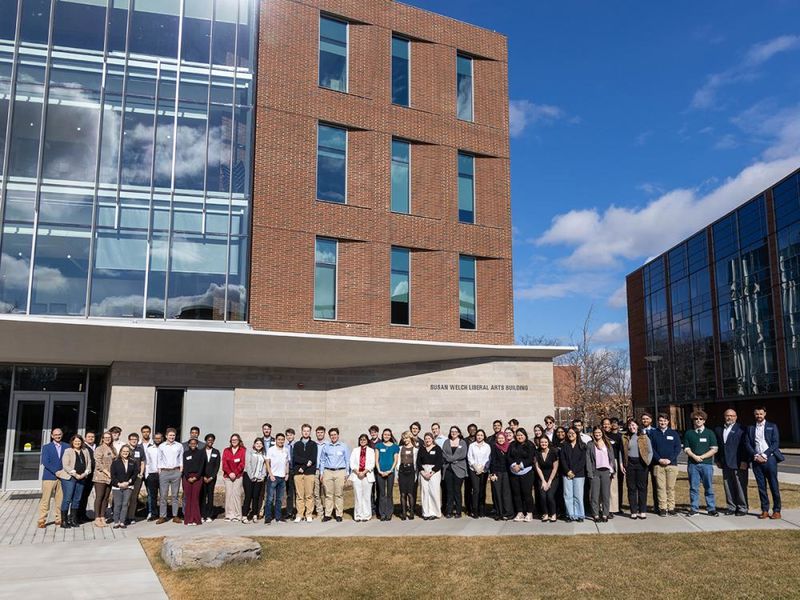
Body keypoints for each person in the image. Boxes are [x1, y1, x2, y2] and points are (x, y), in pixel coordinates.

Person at [745, 406, 783, 519]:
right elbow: (747, 443)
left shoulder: (772, 426)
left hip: (770, 459)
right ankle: (765, 510)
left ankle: (777, 510)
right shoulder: (750, 428)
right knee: (761, 487)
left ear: (765, 414)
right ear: (754, 414)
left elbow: (775, 443)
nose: (759, 416)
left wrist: (764, 454)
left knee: (774, 486)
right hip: (756, 461)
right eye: (757, 414)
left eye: (761, 414)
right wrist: (756, 455)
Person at [683, 410, 719, 517]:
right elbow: (686, 449)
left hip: (707, 464)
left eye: (700, 419)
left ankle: (711, 508)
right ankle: (694, 509)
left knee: (708, 487)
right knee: (694, 487)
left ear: (704, 420)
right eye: (696, 419)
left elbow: (714, 449)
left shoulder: (709, 433)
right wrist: (694, 457)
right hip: (693, 465)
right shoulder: (689, 433)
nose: (698, 421)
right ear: (693, 420)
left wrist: (702, 457)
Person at [715, 409, 749, 516]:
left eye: (732, 416)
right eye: (727, 416)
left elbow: (745, 446)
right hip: (725, 463)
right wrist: (718, 460)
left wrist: (745, 461)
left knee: (740, 486)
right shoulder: (719, 429)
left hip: (739, 462)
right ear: (724, 417)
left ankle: (742, 508)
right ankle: (731, 507)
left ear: (736, 417)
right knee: (728, 486)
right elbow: (719, 446)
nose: (730, 417)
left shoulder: (742, 429)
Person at [57, 434, 92, 528]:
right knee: (67, 499)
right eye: (76, 441)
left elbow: (89, 464)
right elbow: (66, 465)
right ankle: (64, 521)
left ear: (82, 442)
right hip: (70, 477)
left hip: (82, 478)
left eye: (79, 441)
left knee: (77, 499)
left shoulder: (85, 451)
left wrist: (84, 474)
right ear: (72, 442)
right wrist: (75, 474)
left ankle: (73, 519)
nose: (77, 443)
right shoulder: (68, 451)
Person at [650, 413, 682, 516]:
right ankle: (663, 508)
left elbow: (677, 448)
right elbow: (652, 449)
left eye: (664, 421)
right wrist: (659, 459)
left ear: (668, 422)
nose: (662, 422)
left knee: (670, 487)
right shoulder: (653, 433)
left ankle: (671, 507)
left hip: (671, 465)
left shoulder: (673, 433)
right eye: (660, 421)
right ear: (658, 422)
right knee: (660, 488)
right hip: (658, 465)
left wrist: (669, 459)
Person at [622, 419, 652, 519]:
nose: (632, 427)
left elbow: (650, 451)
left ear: (638, 426)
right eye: (630, 425)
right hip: (630, 464)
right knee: (631, 488)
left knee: (642, 488)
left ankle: (642, 510)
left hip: (641, 464)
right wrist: (622, 464)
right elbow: (621, 452)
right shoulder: (625, 437)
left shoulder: (644, 437)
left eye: (634, 425)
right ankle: (633, 511)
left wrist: (647, 462)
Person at [319, 427, 350, 522]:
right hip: (328, 472)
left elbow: (347, 460)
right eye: (331, 435)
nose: (333, 436)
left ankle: (339, 514)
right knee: (328, 494)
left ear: (338, 435)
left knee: (339, 494)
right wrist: (321, 473)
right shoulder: (326, 447)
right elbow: (322, 460)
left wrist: (347, 473)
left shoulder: (344, 446)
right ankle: (328, 514)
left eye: (335, 435)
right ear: (329, 436)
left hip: (340, 471)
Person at [586, 426, 615, 523]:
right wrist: (590, 473)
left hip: (606, 472)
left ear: (602, 432)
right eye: (595, 433)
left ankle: (605, 514)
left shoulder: (608, 443)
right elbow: (588, 460)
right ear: (593, 434)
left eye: (599, 432)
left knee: (605, 494)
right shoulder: (590, 445)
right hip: (595, 472)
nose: (597, 434)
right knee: (595, 495)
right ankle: (596, 514)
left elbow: (611, 458)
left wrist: (612, 470)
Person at [37, 428, 65, 528]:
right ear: (52, 436)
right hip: (49, 477)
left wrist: (63, 472)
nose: (58, 436)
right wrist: (56, 471)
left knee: (60, 500)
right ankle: (41, 520)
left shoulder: (67, 446)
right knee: (46, 499)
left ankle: (59, 519)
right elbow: (45, 461)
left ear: (62, 435)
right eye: (55, 434)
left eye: (59, 434)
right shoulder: (46, 447)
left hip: (62, 477)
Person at [508, 427, 536, 522]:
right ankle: (519, 512)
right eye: (518, 435)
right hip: (514, 472)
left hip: (526, 472)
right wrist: (514, 465)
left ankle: (529, 512)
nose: (519, 437)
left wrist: (521, 466)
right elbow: (509, 457)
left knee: (527, 493)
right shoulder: (512, 444)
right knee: (516, 493)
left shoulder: (530, 445)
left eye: (521, 435)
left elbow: (531, 458)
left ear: (525, 436)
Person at [157, 428, 184, 524]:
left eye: (173, 435)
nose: (172, 437)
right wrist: (160, 470)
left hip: (176, 472)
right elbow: (159, 459)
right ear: (166, 436)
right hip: (164, 472)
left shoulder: (179, 446)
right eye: (170, 435)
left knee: (175, 495)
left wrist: (180, 470)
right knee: (163, 495)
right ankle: (162, 516)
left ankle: (175, 516)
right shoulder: (161, 446)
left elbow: (181, 458)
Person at [559, 427, 586, 522]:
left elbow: (582, 461)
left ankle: (579, 515)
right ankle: (570, 514)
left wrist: (573, 471)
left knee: (578, 495)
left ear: (577, 434)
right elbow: (562, 460)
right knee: (568, 495)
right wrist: (568, 471)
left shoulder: (582, 446)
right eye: (569, 433)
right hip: (566, 474)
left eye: (573, 433)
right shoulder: (564, 445)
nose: (571, 435)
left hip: (578, 474)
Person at [292, 424, 318, 522]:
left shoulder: (313, 444)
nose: (306, 432)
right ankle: (299, 514)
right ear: (301, 432)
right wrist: (304, 464)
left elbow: (312, 459)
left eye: (308, 431)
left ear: (310, 432)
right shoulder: (297, 444)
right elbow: (295, 457)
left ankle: (309, 514)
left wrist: (303, 467)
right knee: (299, 495)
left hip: (309, 473)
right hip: (298, 473)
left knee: (309, 495)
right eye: (304, 431)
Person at [442, 426, 468, 518]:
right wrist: (452, 460)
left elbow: (463, 454)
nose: (453, 433)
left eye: (455, 431)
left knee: (457, 490)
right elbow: (444, 453)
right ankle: (449, 511)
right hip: (448, 468)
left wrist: (451, 459)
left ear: (459, 432)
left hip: (459, 469)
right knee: (449, 490)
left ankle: (458, 511)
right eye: (452, 431)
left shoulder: (462, 442)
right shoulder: (446, 442)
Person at [349, 434, 376, 522]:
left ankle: (366, 515)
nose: (362, 441)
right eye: (361, 439)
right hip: (356, 476)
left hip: (367, 475)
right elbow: (351, 463)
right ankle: (358, 515)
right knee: (358, 496)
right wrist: (357, 472)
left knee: (366, 496)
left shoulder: (371, 451)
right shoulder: (355, 450)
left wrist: (364, 472)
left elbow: (372, 463)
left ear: (367, 441)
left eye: (364, 439)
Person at [375, 428, 400, 521]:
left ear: (391, 436)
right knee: (382, 494)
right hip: (380, 473)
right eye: (385, 434)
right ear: (382, 435)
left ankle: (389, 513)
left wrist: (390, 470)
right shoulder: (378, 446)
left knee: (389, 494)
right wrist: (379, 470)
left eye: (388, 435)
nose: (386, 436)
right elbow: (376, 460)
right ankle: (382, 514)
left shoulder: (395, 447)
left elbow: (395, 460)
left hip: (390, 473)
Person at [416, 433, 443, 520]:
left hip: (434, 472)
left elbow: (440, 462)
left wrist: (432, 472)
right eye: (426, 438)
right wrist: (422, 472)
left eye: (429, 438)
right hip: (423, 471)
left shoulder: (437, 448)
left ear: (432, 439)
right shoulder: (421, 449)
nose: (427, 440)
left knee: (434, 492)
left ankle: (435, 512)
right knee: (424, 492)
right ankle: (426, 513)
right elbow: (418, 462)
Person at [265, 433, 290, 523]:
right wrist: (270, 474)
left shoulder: (286, 450)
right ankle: (268, 517)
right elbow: (267, 462)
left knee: (279, 499)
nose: (280, 441)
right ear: (276, 440)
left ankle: (278, 517)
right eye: (279, 439)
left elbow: (287, 462)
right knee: (270, 498)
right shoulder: (271, 450)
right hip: (273, 477)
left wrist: (287, 473)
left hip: (282, 477)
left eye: (282, 439)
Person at [92, 431, 115, 527]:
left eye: (109, 437)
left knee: (106, 498)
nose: (107, 439)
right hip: (100, 476)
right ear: (102, 439)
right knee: (99, 497)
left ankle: (102, 516)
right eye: (105, 437)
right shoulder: (99, 449)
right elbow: (98, 463)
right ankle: (97, 518)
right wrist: (107, 473)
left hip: (110, 477)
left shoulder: (113, 449)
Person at [489, 431, 514, 520]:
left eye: (502, 438)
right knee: (497, 492)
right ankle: (499, 513)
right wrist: (492, 473)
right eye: (499, 438)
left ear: (505, 438)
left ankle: (508, 513)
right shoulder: (494, 447)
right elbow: (492, 461)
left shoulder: (509, 447)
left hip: (507, 473)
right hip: (497, 473)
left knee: (506, 493)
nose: (501, 440)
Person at [110, 445, 136, 529]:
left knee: (125, 504)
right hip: (117, 486)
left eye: (127, 451)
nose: (125, 453)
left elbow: (135, 474)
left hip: (128, 486)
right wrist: (119, 484)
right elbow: (113, 475)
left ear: (129, 452)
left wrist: (128, 482)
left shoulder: (133, 462)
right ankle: (116, 522)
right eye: (124, 451)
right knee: (118, 504)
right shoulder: (115, 462)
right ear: (120, 452)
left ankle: (122, 521)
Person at [535, 434, 560, 522]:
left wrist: (549, 482)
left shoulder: (553, 452)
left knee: (550, 495)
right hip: (542, 478)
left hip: (553, 478)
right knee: (542, 495)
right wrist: (543, 481)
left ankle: (553, 514)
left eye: (545, 442)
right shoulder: (537, 453)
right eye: (542, 442)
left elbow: (555, 468)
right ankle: (545, 514)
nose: (543, 443)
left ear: (548, 442)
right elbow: (538, 467)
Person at [222, 433, 246, 522]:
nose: (234, 441)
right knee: (229, 495)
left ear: (239, 441)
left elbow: (242, 463)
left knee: (236, 495)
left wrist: (235, 473)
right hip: (227, 476)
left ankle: (237, 515)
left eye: (236, 440)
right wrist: (229, 473)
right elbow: (224, 464)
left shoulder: (243, 450)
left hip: (238, 476)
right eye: (232, 440)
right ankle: (229, 515)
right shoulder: (226, 450)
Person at [242, 438, 267, 523]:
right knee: (248, 496)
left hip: (259, 478)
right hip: (248, 477)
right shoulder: (250, 452)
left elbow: (264, 466)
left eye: (260, 443)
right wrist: (252, 476)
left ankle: (255, 515)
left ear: (262, 445)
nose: (259, 445)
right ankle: (244, 516)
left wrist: (262, 476)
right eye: (257, 443)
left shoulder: (263, 454)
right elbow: (248, 464)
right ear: (254, 444)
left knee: (256, 497)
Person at [467, 429, 490, 518]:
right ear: (476, 436)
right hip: (474, 470)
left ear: (484, 436)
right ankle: (475, 510)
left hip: (484, 470)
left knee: (482, 490)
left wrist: (483, 468)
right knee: (476, 490)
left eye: (481, 435)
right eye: (478, 435)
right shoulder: (472, 446)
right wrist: (476, 467)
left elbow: (488, 458)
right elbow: (469, 457)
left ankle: (482, 510)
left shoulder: (487, 446)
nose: (479, 436)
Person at [602, 417, 623, 516]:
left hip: (613, 462)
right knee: (603, 487)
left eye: (608, 424)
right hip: (601, 462)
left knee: (613, 487)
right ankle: (603, 508)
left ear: (611, 425)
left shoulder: (617, 436)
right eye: (604, 424)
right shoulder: (599, 435)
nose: (606, 426)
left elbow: (621, 452)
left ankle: (613, 508)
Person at [182, 437, 205, 525]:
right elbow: (185, 466)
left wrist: (196, 477)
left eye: (194, 443)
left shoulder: (201, 453)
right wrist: (188, 477)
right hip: (187, 477)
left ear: (197, 444)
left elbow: (201, 466)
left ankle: (195, 519)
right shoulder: (185, 453)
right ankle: (188, 519)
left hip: (197, 478)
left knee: (195, 498)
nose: (193, 445)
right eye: (191, 443)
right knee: (188, 498)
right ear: (189, 444)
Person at [76, 430, 96, 524]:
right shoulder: (83, 448)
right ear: (85, 438)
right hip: (85, 475)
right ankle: (77, 516)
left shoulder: (96, 447)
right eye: (89, 437)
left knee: (85, 496)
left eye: (92, 437)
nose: (91, 438)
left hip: (92, 476)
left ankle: (83, 514)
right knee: (81, 496)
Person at [397, 431, 418, 520]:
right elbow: (398, 461)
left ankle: (412, 512)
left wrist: (416, 474)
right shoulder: (400, 448)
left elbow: (416, 463)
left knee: (410, 493)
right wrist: (397, 472)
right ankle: (404, 513)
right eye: (404, 438)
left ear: (410, 438)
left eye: (407, 438)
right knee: (402, 493)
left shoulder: (415, 449)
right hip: (402, 471)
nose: (405, 440)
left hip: (411, 471)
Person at [126, 432, 146, 523]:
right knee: (126, 497)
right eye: (132, 439)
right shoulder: (125, 449)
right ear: (129, 440)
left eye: (136, 440)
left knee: (134, 497)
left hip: (137, 476)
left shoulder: (140, 449)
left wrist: (141, 473)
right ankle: (124, 516)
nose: (134, 441)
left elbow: (142, 462)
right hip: (127, 476)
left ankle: (131, 516)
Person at [640, 411, 658, 511]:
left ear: (651, 420)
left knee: (656, 484)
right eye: (643, 419)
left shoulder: (656, 431)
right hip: (643, 462)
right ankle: (643, 507)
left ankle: (657, 506)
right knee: (643, 484)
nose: (645, 420)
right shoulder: (639, 431)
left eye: (647, 419)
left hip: (654, 461)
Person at [201, 433, 220, 522]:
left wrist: (212, 477)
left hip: (212, 478)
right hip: (203, 478)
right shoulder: (201, 451)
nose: (210, 442)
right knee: (203, 496)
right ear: (206, 441)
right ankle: (202, 515)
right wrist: (203, 476)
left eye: (212, 440)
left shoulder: (216, 452)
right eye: (209, 440)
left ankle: (209, 515)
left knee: (210, 496)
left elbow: (217, 466)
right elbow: (199, 465)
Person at [144, 432, 162, 521]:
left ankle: (163, 514)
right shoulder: (149, 449)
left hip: (162, 474)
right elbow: (147, 462)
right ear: (153, 439)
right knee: (152, 496)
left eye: (159, 438)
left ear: (162, 438)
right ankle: (154, 514)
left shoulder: (165, 448)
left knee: (163, 495)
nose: (158, 439)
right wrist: (147, 475)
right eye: (156, 438)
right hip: (152, 474)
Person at [314, 425, 327, 518]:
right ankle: (320, 512)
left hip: (326, 470)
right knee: (316, 492)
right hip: (315, 470)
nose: (320, 434)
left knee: (326, 492)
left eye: (321, 432)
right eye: (318, 432)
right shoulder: (313, 444)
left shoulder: (328, 444)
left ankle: (328, 511)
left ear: (324, 433)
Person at [284, 428, 296, 520]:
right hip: (288, 471)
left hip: (296, 470)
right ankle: (289, 512)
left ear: (294, 435)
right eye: (287, 435)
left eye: (291, 435)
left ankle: (297, 512)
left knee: (298, 492)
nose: (289, 436)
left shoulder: (297, 445)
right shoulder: (284, 447)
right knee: (289, 493)